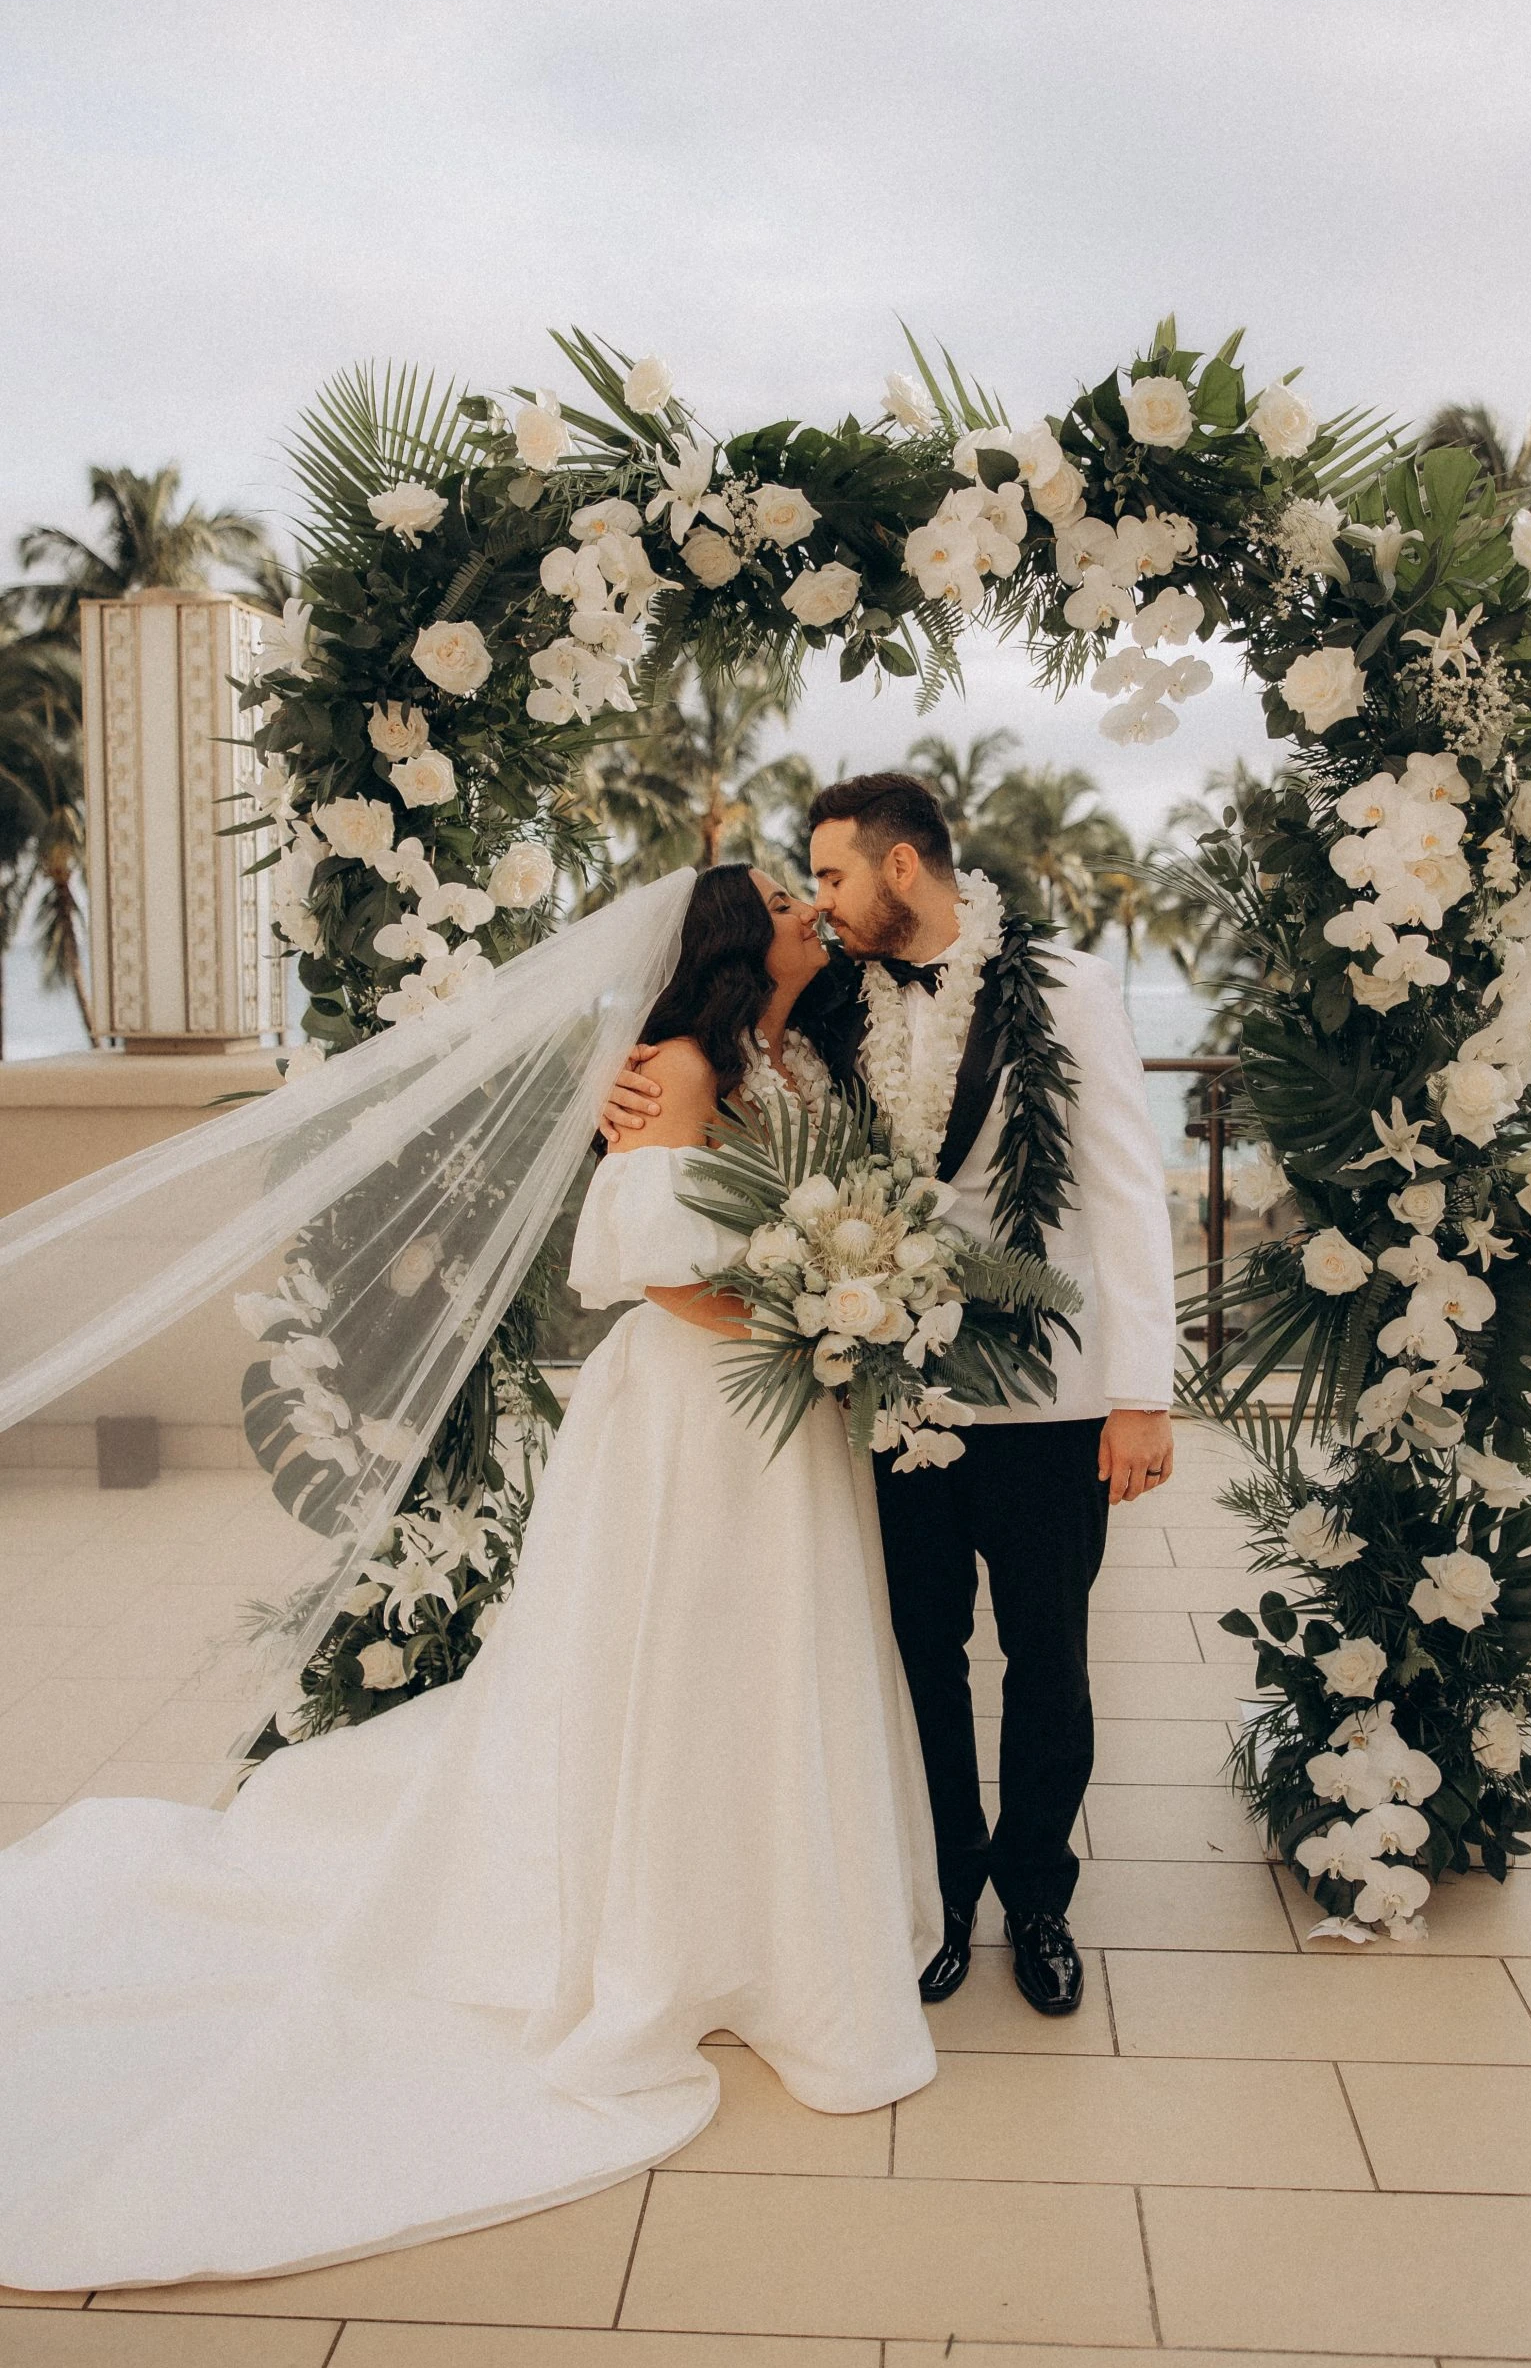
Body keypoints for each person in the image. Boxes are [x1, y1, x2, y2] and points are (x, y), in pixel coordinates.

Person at [0, 865, 938, 2291]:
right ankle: (674, 1922)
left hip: (775, 1416)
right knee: (682, 1656)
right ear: (741, 947)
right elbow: (640, 1254)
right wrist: (814, 1313)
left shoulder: (790, 1061)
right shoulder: (679, 1063)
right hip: (696, 1413)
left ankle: (776, 1910)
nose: (810, 909)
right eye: (784, 899)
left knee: (769, 1656)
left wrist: (839, 1306)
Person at [602, 774, 1177, 2018]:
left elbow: (1129, 1188)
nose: (822, 903)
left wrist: (1141, 1395)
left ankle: (1038, 1901)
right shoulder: (834, 1009)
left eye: (834, 876)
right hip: (884, 1392)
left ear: (902, 867)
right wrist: (633, 1097)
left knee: (1048, 1660)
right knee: (915, 1655)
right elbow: (727, 1079)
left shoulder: (1067, 988)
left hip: (1049, 1394)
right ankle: (940, 1894)